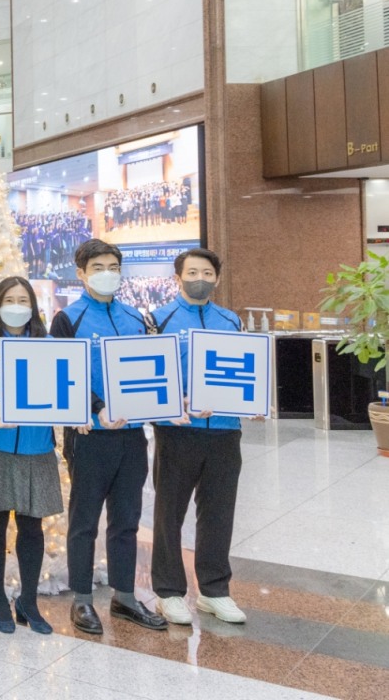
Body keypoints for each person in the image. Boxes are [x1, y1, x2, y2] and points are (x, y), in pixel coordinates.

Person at [50, 239, 167, 634]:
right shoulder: (68, 319)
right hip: (90, 437)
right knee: (84, 521)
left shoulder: (137, 317)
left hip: (132, 436)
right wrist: (97, 407)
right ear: (81, 273)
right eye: (97, 266)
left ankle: (125, 597)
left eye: (113, 266)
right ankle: (81, 599)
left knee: (127, 519)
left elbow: (152, 371)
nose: (107, 273)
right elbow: (64, 372)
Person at [150, 248, 252, 625]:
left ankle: (214, 590)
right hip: (178, 433)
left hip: (225, 432)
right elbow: (152, 378)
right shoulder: (158, 320)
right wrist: (178, 401)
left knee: (218, 513)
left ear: (217, 279)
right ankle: (169, 592)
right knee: (168, 514)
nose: (200, 278)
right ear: (178, 277)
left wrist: (252, 401)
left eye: (207, 273)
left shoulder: (231, 320)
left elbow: (245, 372)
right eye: (192, 272)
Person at [0, 277, 63, 635]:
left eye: (23, 299)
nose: (16, 305)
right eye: (9, 299)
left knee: (32, 526)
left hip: (37, 446)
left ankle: (29, 601)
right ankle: (0, 600)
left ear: (33, 305)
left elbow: (64, 390)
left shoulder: (49, 344)